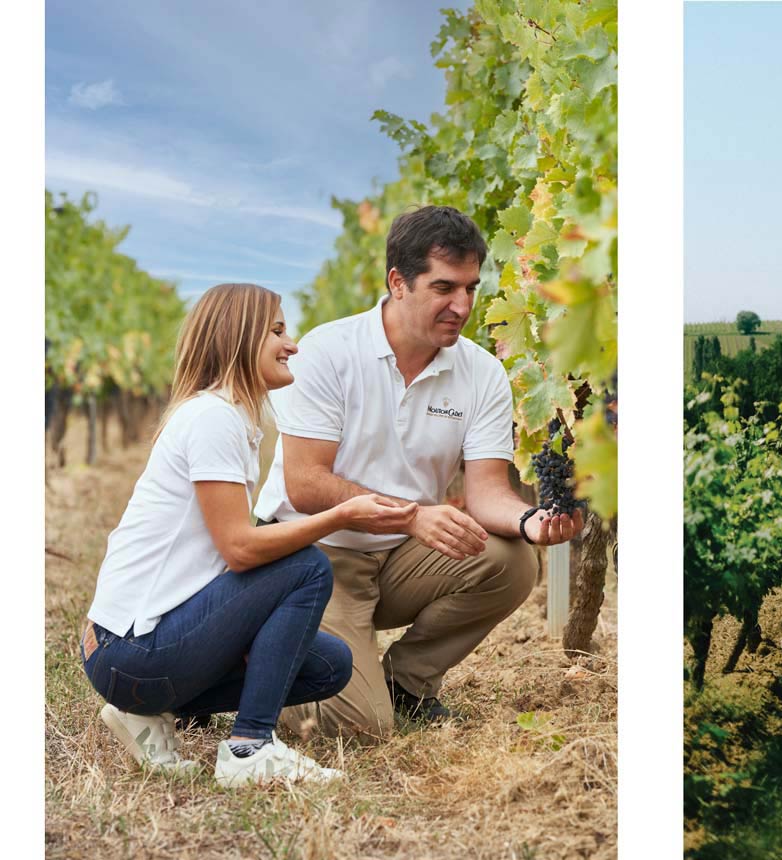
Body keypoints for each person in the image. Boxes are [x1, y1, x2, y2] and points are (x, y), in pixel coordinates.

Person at [254, 205, 582, 743]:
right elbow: (305, 484)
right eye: (444, 288)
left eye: (471, 288)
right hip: (314, 556)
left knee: (510, 560)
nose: (463, 306)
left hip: (399, 557)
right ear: (398, 283)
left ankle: (406, 683)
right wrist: (411, 518)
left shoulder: (481, 373)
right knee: (352, 729)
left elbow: (487, 491)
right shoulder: (328, 352)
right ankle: (255, 657)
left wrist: (530, 521)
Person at [81, 283, 418, 786]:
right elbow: (239, 549)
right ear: (239, 338)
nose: (292, 345)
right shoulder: (212, 419)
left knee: (330, 665)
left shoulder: (228, 419)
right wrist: (342, 515)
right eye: (278, 331)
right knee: (307, 565)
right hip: (131, 653)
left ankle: (146, 711)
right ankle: (250, 748)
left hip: (131, 652)